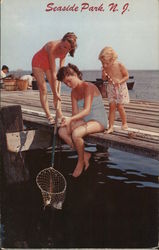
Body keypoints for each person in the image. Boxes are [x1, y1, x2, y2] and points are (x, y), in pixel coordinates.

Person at [57, 64, 108, 177]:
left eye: (69, 81)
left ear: (75, 75)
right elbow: (75, 114)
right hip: (86, 121)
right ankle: (84, 154)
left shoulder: (88, 86)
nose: (69, 85)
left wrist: (71, 120)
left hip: (99, 121)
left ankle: (80, 162)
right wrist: (68, 122)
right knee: (62, 131)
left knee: (76, 134)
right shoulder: (73, 93)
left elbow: (86, 110)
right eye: (66, 83)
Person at [32, 32, 77, 124]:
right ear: (62, 41)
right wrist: (56, 92)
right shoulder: (52, 46)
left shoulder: (66, 50)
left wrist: (60, 81)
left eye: (68, 49)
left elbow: (60, 70)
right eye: (64, 47)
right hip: (38, 62)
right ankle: (49, 116)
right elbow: (53, 72)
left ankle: (59, 114)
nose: (66, 50)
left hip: (48, 64)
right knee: (43, 89)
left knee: (55, 88)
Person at [98, 47, 129, 133]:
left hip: (120, 87)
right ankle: (111, 126)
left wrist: (120, 81)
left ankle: (124, 123)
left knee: (120, 106)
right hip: (111, 87)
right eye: (102, 62)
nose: (104, 64)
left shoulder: (119, 65)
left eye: (106, 62)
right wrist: (103, 75)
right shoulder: (105, 67)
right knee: (111, 107)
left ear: (112, 59)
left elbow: (126, 76)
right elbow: (104, 79)